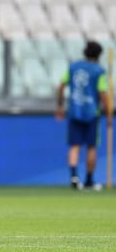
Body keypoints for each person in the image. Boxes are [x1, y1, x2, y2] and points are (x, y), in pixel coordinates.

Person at [56, 41, 111, 191]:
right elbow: (102, 93)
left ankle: (74, 177)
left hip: (74, 110)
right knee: (91, 147)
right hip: (92, 113)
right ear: (99, 55)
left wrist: (60, 106)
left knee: (75, 146)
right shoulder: (99, 71)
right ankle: (89, 180)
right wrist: (109, 113)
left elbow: (61, 86)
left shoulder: (74, 67)